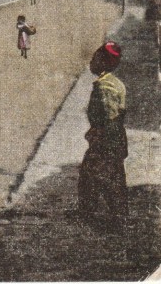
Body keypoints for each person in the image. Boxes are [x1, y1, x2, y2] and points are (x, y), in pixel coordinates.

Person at [77, 41, 128, 228]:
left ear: (104, 62)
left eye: (95, 58)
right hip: (113, 139)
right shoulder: (115, 83)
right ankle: (117, 216)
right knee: (112, 178)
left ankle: (93, 216)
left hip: (107, 140)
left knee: (94, 178)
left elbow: (111, 118)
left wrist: (97, 135)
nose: (91, 61)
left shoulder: (104, 87)